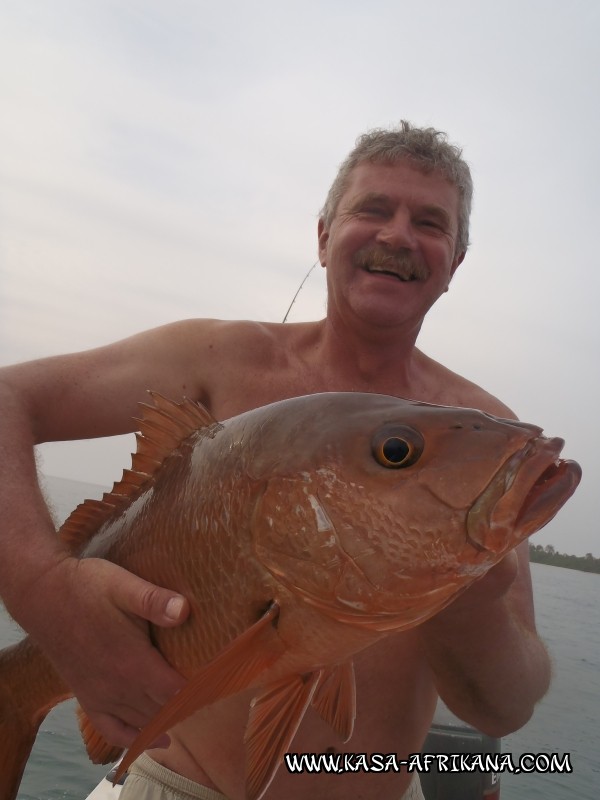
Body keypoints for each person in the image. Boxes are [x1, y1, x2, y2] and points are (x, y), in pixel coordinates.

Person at [0, 122, 551, 800]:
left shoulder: (485, 440)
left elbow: (506, 707)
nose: (399, 236)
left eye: (431, 222)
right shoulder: (217, 361)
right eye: (374, 209)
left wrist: (476, 594)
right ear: (323, 236)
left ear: (455, 262)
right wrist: (44, 590)